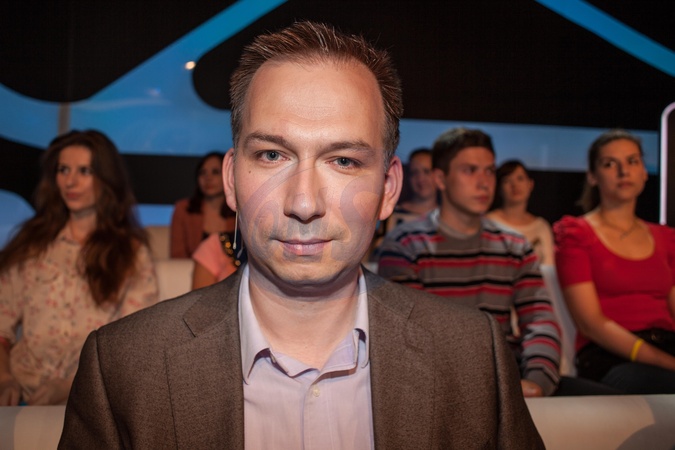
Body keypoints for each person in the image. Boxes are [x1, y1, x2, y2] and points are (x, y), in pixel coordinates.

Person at [59, 22, 543, 448]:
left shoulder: (474, 357)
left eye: (344, 161)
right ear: (231, 180)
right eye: (272, 155)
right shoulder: (122, 368)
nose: (304, 202)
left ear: (389, 189)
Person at [377, 127, 564, 397]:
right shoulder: (406, 244)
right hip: (437, 388)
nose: (484, 182)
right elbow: (409, 337)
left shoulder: (514, 246)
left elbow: (540, 321)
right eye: (470, 170)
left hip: (508, 379)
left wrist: (537, 381)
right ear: (441, 178)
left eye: (489, 171)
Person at [0, 130, 158, 406]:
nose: (70, 181)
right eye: (63, 170)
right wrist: (4, 380)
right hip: (19, 396)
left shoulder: (131, 254)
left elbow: (134, 345)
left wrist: (69, 388)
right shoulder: (31, 244)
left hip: (91, 401)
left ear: (106, 179)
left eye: (84, 171)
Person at [554, 129, 675, 394]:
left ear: (644, 171)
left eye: (632, 161)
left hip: (668, 345)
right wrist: (668, 363)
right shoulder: (576, 234)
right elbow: (591, 324)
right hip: (611, 356)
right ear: (592, 176)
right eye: (610, 164)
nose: (624, 171)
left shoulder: (666, 238)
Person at [487, 159, 554, 265]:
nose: (515, 185)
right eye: (507, 180)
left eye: (520, 178)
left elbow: (549, 267)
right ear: (499, 187)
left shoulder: (542, 226)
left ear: (530, 184)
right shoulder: (488, 222)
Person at [169, 151, 236, 258]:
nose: (208, 178)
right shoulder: (183, 209)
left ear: (229, 176)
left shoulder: (240, 211)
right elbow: (177, 257)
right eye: (202, 173)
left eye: (215, 172)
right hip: (190, 268)